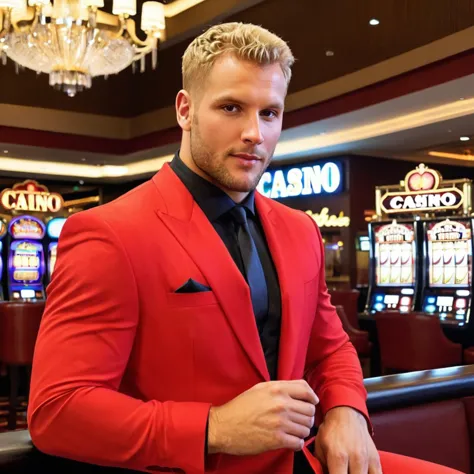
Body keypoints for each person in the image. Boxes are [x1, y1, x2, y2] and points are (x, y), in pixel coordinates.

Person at [28, 22, 462, 474]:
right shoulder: (108, 232)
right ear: (185, 110)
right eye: (232, 107)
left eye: (270, 113)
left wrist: (346, 409)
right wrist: (214, 426)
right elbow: (58, 410)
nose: (255, 132)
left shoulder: (299, 229)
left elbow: (330, 349)